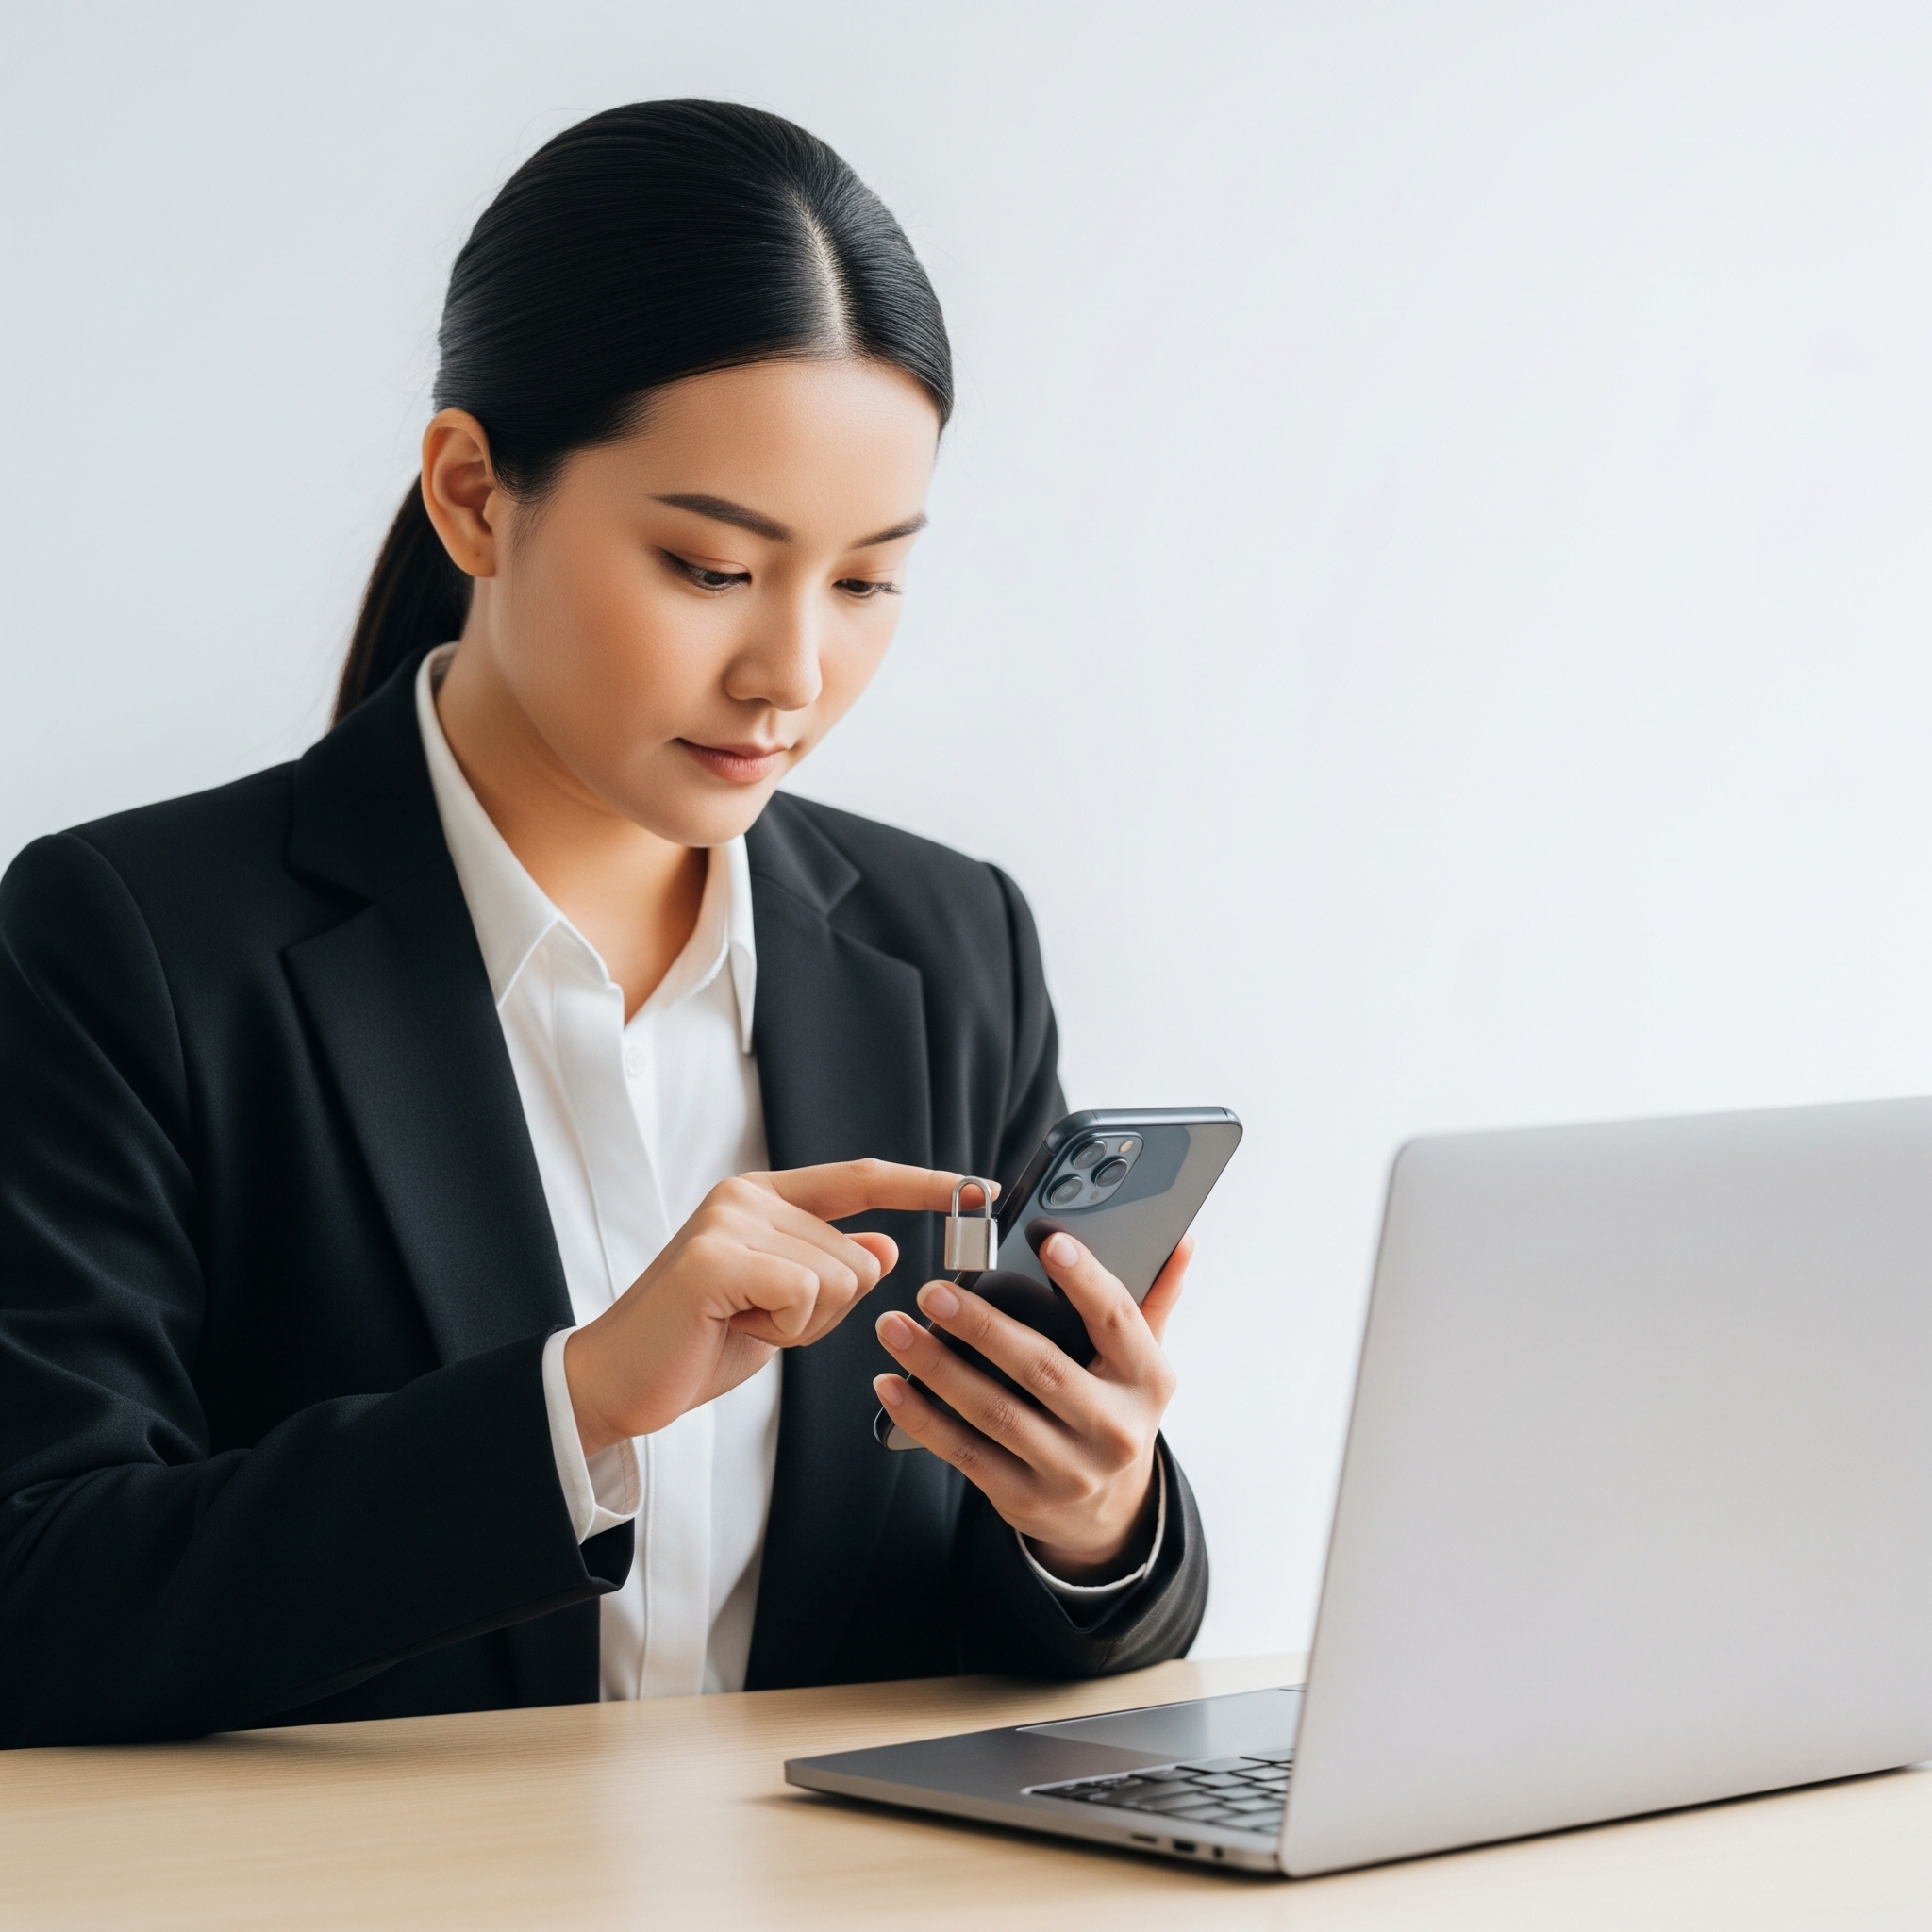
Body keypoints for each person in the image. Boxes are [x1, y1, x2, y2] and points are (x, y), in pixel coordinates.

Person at [0, 100, 1207, 1747]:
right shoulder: (129, 942)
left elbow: (966, 1622)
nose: (792, 673)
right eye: (713, 567)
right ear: (477, 495)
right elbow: (39, 1593)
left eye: (865, 582)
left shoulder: (947, 947)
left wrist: (1090, 1518)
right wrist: (573, 1412)